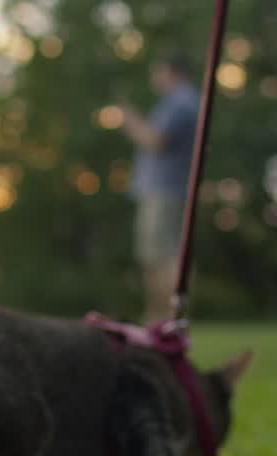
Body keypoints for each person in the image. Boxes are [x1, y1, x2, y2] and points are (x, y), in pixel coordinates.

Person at [117, 51, 200, 324]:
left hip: (165, 192)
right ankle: (161, 318)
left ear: (171, 72)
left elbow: (156, 141)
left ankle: (165, 319)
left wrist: (130, 122)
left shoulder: (180, 102)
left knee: (161, 258)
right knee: (159, 256)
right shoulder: (180, 102)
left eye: (159, 72)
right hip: (168, 191)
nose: (155, 78)